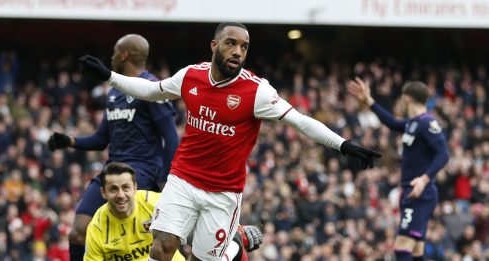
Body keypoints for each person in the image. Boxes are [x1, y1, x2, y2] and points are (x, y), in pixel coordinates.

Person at [78, 22, 381, 261]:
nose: (238, 51)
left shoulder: (256, 91)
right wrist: (110, 76)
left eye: (244, 47)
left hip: (223, 192)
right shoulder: (190, 77)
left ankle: (233, 243)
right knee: (161, 249)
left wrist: (343, 144)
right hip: (183, 178)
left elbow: (300, 121)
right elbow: (151, 90)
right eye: (231, 43)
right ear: (215, 45)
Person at [47, 34, 180, 261]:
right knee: (77, 232)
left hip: (142, 173)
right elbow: (102, 138)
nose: (112, 56)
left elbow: (171, 137)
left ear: (124, 54)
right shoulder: (114, 92)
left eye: (115, 51)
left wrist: (168, 181)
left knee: (148, 242)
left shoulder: (153, 88)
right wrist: (70, 141)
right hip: (111, 171)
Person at [347, 78, 449, 261]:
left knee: (402, 247)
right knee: (416, 249)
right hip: (412, 192)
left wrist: (424, 179)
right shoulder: (413, 122)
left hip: (420, 193)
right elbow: (393, 123)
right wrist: (369, 101)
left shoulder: (427, 123)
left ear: (406, 99)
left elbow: (443, 154)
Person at [84, 162, 263, 261]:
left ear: (135, 187)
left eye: (126, 188)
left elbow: (202, 217)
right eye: (114, 189)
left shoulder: (152, 202)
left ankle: (235, 242)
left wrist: (235, 228)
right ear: (103, 193)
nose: (121, 195)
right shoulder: (97, 228)